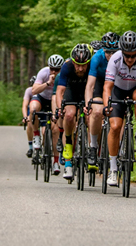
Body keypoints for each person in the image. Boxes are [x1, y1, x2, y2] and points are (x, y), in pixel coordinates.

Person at [103, 30, 136, 187]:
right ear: (122, 52)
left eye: (133, 55)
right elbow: (107, 87)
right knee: (115, 126)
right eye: (127, 55)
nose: (130, 59)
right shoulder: (115, 59)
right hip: (117, 90)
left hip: (135, 88)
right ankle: (113, 169)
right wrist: (106, 106)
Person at [53, 43, 92, 180]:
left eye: (84, 65)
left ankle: (91, 149)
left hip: (87, 91)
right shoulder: (67, 66)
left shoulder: (92, 66)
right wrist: (60, 108)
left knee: (90, 117)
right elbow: (60, 91)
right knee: (69, 115)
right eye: (77, 65)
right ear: (73, 62)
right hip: (71, 91)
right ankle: (68, 154)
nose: (80, 69)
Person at [84, 31, 119, 166]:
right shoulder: (97, 58)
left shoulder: (123, 57)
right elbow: (90, 85)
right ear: (103, 49)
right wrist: (88, 104)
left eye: (114, 52)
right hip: (100, 82)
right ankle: (93, 147)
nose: (111, 55)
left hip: (115, 83)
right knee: (97, 111)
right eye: (108, 52)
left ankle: (119, 148)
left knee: (119, 113)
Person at [30, 54, 64, 175]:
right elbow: (34, 90)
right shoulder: (43, 72)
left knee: (54, 131)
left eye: (57, 69)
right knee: (33, 109)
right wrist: (48, 83)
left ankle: (56, 162)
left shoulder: (64, 74)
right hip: (42, 98)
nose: (54, 72)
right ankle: (36, 136)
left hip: (55, 100)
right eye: (52, 69)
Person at [22, 75, 36, 157]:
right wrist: (25, 116)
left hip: (42, 108)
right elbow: (24, 105)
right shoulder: (29, 91)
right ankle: (30, 147)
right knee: (29, 124)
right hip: (31, 109)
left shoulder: (45, 90)